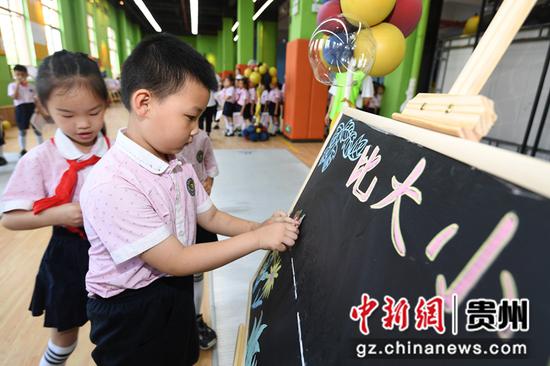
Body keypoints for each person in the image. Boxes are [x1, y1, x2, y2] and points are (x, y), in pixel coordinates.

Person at [80, 33, 299, 366]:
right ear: (144, 103)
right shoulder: (113, 183)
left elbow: (210, 217)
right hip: (130, 311)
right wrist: (257, 239)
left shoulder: (178, 164)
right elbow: (176, 259)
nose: (196, 129)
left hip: (173, 290)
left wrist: (260, 226)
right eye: (190, 117)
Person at [0, 51, 110, 366]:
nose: (83, 124)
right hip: (69, 255)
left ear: (106, 103)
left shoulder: (116, 151)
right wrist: (58, 214)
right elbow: (10, 219)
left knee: (115, 326)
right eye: (66, 114)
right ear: (44, 108)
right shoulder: (40, 159)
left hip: (114, 252)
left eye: (94, 111)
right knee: (66, 333)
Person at [176, 128, 219, 350]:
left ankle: (195, 317)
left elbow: (209, 163)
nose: (191, 127)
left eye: (195, 116)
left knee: (197, 272)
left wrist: (209, 180)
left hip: (198, 213)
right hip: (175, 217)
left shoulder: (201, 138)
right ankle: (181, 321)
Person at [8, 64, 44, 156]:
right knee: (22, 130)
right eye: (17, 74)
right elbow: (15, 97)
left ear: (26, 75)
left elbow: (36, 99)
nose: (20, 76)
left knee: (37, 128)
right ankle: (23, 149)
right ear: (15, 75)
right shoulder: (12, 85)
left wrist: (38, 108)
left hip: (32, 107)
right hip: (20, 108)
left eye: (22, 74)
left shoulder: (31, 86)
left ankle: (41, 148)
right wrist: (17, 85)